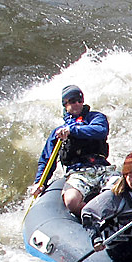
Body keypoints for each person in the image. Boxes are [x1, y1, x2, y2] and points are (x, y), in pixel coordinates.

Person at [33, 84, 111, 216]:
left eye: (80, 100)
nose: (77, 104)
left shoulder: (96, 118)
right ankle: (94, 214)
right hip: (78, 173)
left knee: (122, 190)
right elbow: (47, 160)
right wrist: (39, 182)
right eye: (73, 101)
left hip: (102, 168)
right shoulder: (58, 132)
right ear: (65, 104)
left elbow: (101, 131)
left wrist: (73, 130)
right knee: (71, 201)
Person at [79, 152, 132, 262]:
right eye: (131, 176)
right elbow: (88, 213)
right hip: (118, 245)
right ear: (125, 176)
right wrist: (96, 239)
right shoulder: (114, 196)